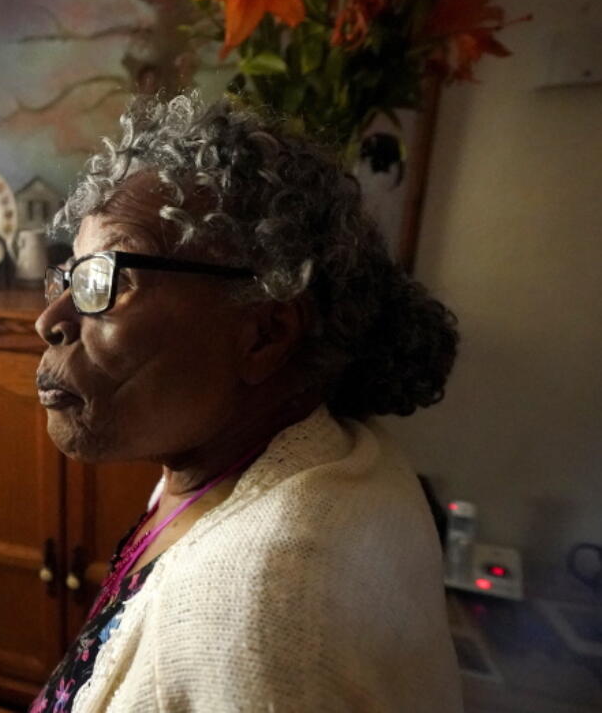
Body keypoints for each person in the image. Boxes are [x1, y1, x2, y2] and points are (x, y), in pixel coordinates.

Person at [32, 94, 462, 711]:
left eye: (109, 279)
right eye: (71, 276)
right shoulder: (274, 456)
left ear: (264, 334)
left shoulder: (253, 620)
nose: (50, 319)